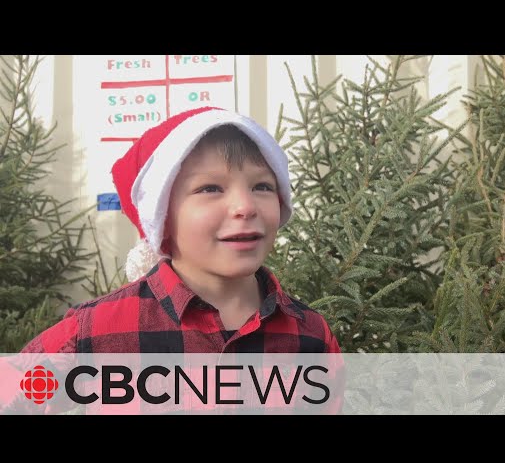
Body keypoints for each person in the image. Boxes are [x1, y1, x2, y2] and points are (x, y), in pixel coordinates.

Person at [20, 106, 341, 355]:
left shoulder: (311, 335)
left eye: (262, 186)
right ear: (162, 217)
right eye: (210, 188)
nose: (245, 206)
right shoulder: (97, 331)